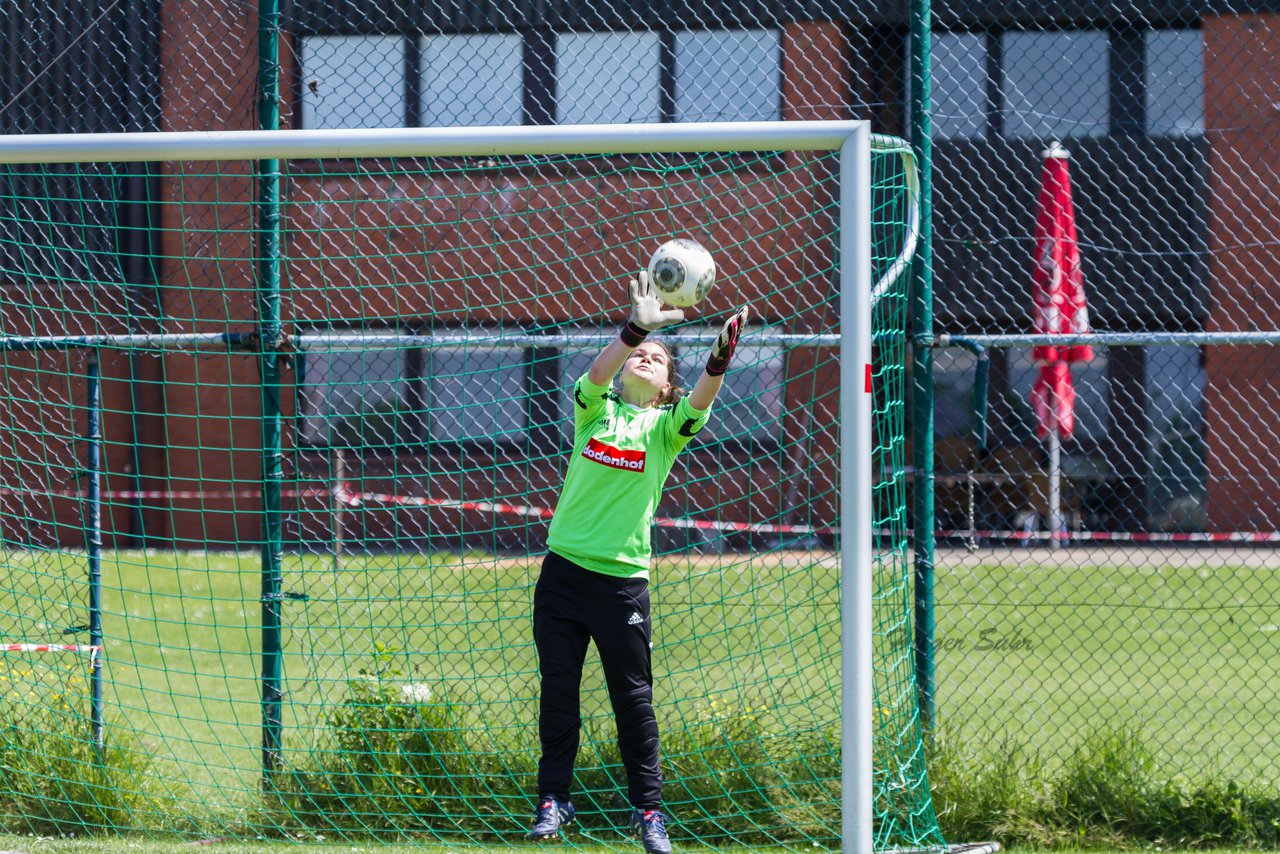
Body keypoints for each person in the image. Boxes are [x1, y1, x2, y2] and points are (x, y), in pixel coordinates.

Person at [526, 270, 749, 853]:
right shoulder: (594, 412)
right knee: (558, 690)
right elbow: (597, 372)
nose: (646, 357)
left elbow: (700, 399)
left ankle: (648, 813)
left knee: (633, 702)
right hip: (564, 574)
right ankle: (554, 799)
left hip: (623, 584)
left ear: (667, 385)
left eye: (658, 357)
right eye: (639, 353)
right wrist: (634, 329)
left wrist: (718, 361)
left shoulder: (664, 430)